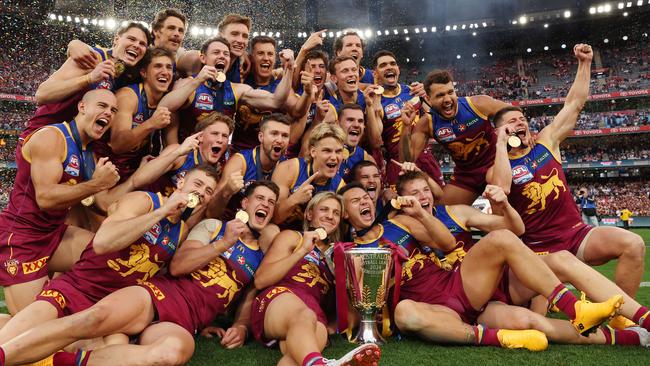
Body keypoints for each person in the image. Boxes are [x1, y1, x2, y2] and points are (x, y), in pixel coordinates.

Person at [0, 181, 276, 366]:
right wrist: (223, 243)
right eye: (260, 198)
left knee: (170, 354)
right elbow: (178, 266)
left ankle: (62, 360)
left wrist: (236, 324)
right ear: (244, 204)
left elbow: (247, 292)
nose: (265, 204)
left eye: (271, 202)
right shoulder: (211, 225)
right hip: (150, 294)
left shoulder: (256, 250)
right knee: (90, 320)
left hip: (186, 320)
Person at [393, 171, 650, 348]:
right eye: (415, 193)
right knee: (531, 323)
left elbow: (516, 229)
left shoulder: (455, 212)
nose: (423, 196)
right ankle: (630, 338)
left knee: (562, 259)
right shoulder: (400, 226)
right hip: (464, 299)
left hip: (491, 280)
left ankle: (644, 319)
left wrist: (504, 204)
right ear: (402, 199)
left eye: (426, 190)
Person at [0, 164, 218, 345]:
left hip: (111, 308)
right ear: (181, 183)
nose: (201, 192)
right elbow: (103, 243)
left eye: (208, 191)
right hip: (78, 288)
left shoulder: (181, 232)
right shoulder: (145, 201)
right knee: (14, 341)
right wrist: (162, 211)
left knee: (101, 354)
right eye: (197, 184)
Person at [493, 44, 645, 301]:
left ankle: (625, 321)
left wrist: (584, 64)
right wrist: (500, 144)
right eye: (512, 121)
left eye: (522, 119)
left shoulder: (546, 142)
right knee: (532, 308)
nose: (520, 123)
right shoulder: (497, 166)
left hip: (575, 235)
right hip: (536, 250)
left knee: (633, 244)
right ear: (500, 131)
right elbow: (502, 188)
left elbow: (574, 104)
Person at [0, 89, 120, 314]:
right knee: (30, 329)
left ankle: (68, 295)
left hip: (54, 233)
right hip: (22, 238)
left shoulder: (87, 151)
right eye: (102, 106)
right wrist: (96, 184)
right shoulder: (52, 137)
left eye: (113, 110)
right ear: (82, 107)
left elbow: (100, 203)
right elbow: (45, 198)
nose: (109, 113)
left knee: (106, 255)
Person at [251, 192, 382, 366]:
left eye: (336, 213)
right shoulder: (293, 237)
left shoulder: (339, 255)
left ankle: (316, 363)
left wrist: (333, 324)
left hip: (315, 316)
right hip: (281, 299)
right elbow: (261, 280)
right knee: (304, 315)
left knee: (295, 358)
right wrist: (302, 251)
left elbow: (347, 311)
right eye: (324, 210)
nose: (330, 216)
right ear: (309, 214)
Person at [400, 69, 512, 205]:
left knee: (499, 197)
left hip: (494, 165)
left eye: (450, 92)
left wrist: (514, 133)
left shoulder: (478, 104)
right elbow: (407, 160)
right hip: (466, 175)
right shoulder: (426, 123)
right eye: (440, 95)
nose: (447, 99)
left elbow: (513, 113)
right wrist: (406, 127)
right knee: (442, 214)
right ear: (428, 99)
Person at [22, 22, 150, 140]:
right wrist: (89, 78)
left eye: (142, 44)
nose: (137, 45)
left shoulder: (130, 74)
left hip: (76, 147)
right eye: (131, 39)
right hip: (41, 138)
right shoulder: (91, 57)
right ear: (116, 39)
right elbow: (42, 94)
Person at [158, 37, 294, 144]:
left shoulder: (236, 90)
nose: (222, 56)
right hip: (187, 157)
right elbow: (163, 107)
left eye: (226, 54)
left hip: (218, 159)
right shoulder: (188, 83)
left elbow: (276, 101)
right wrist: (197, 81)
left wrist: (289, 68)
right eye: (216, 52)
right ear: (203, 58)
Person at [93, 47, 174, 179]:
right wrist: (151, 123)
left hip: (137, 166)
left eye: (169, 67)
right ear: (144, 73)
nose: (165, 72)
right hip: (108, 166)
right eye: (158, 66)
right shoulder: (128, 97)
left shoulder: (168, 101)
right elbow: (117, 145)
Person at [368, 50, 443, 189]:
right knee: (404, 207)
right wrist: (374, 107)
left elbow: (436, 121)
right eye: (383, 65)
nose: (389, 67)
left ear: (398, 69)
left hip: (425, 157)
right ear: (375, 73)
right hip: (398, 162)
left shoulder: (413, 91)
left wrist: (428, 98)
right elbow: (376, 141)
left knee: (439, 203)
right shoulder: (374, 101)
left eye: (393, 64)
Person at [233, 36, 313, 152]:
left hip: (271, 153)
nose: (266, 58)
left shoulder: (280, 85)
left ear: (275, 59)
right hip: (239, 152)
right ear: (251, 58)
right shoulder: (240, 80)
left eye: (270, 54)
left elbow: (297, 111)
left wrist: (308, 92)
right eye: (260, 53)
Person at [209, 113, 291, 219]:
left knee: (272, 231)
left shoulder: (287, 167)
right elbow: (211, 213)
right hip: (229, 221)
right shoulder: (240, 161)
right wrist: (226, 191)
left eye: (285, 136)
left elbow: (276, 219)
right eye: (274, 134)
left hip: (260, 226)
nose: (279, 140)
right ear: (261, 137)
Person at [272, 123, 346, 227]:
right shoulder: (290, 169)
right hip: (281, 232)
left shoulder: (340, 186)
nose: (334, 157)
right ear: (313, 152)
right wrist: (295, 199)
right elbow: (274, 218)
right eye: (327, 151)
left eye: (338, 151)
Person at [146, 112, 234, 197]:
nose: (220, 140)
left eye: (225, 136)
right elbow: (143, 177)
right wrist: (176, 154)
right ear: (200, 137)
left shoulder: (223, 170)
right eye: (215, 133)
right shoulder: (181, 154)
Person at [336, 103, 375, 180]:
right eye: (350, 120)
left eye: (360, 121)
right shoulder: (323, 153)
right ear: (337, 124)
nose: (356, 125)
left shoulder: (365, 157)